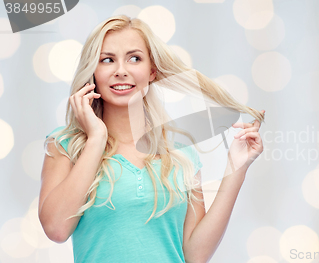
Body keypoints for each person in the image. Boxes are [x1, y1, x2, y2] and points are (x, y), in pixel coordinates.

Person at [38, 14, 265, 263]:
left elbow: (195, 255)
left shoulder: (181, 156)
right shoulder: (66, 147)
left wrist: (236, 168)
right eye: (107, 60)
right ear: (93, 73)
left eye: (134, 58)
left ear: (152, 71)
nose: (121, 71)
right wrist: (96, 139)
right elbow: (56, 229)